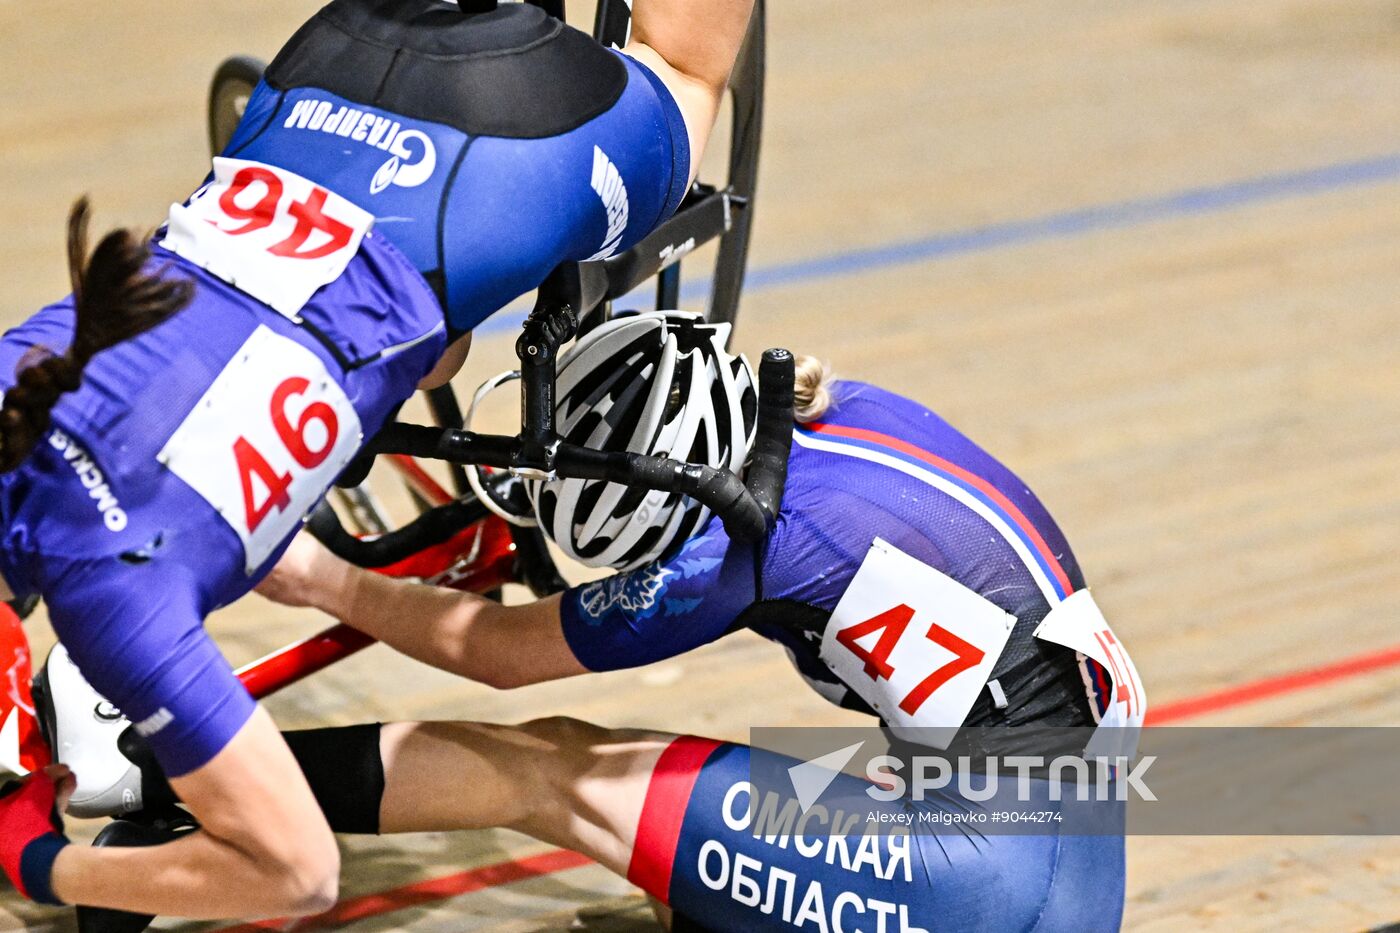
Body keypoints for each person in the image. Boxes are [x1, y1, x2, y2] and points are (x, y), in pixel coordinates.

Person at [0, 0, 756, 920]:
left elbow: (300, 873)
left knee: (685, 76)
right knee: (432, 343)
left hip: (501, 168)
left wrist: (39, 861)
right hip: (330, 71)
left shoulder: (119, 598)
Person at [232, 311, 1146, 929]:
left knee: (553, 768)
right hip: (1058, 840)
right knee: (667, 824)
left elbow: (496, 652)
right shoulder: (835, 407)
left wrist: (326, 581)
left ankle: (176, 786)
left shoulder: (733, 545)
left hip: (989, 884)